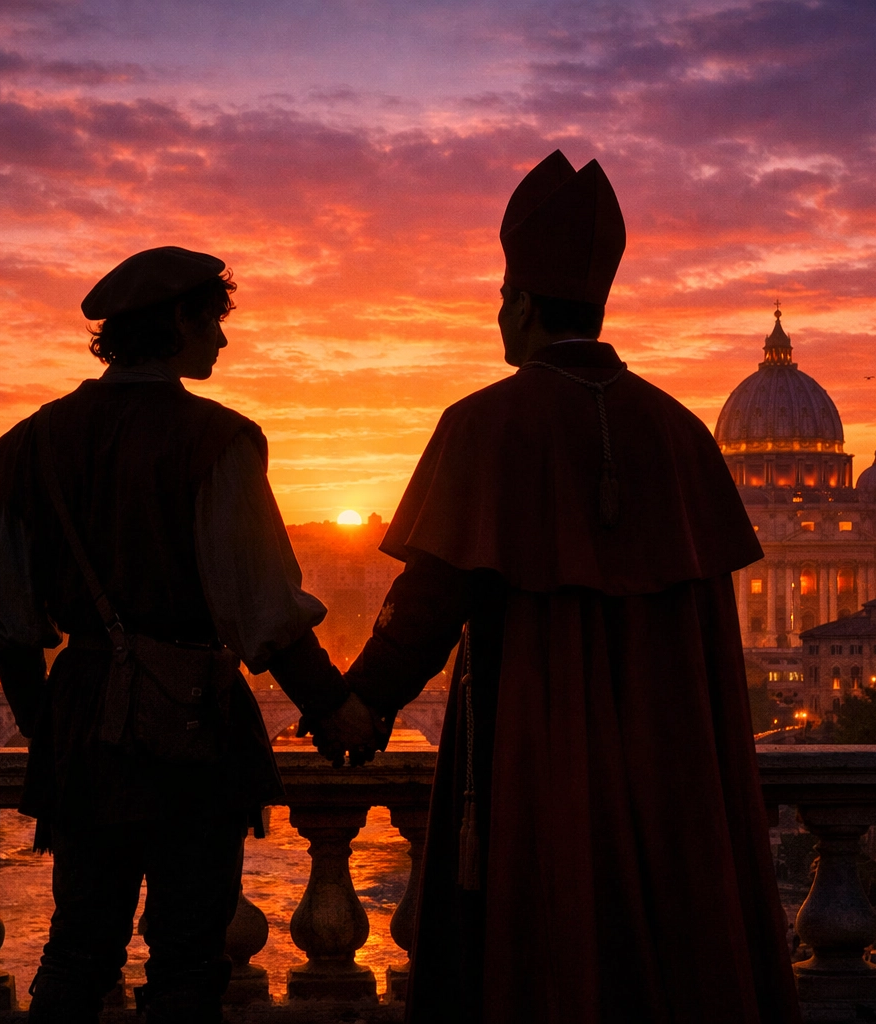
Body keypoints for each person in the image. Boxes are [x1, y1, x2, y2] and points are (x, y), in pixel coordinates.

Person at [312, 152, 803, 1022]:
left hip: (532, 746)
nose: (499, 318)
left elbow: (429, 599)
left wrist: (362, 704)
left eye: (502, 303)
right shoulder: (683, 434)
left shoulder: (484, 424)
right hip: (670, 748)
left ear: (524, 305)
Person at [0, 247, 371, 1024]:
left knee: (79, 946)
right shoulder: (216, 441)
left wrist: (51, 732)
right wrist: (331, 709)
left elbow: (4, 621)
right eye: (214, 322)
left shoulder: (33, 442)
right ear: (178, 322)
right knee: (188, 955)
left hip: (83, 722)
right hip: (193, 721)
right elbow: (262, 609)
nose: (221, 341)